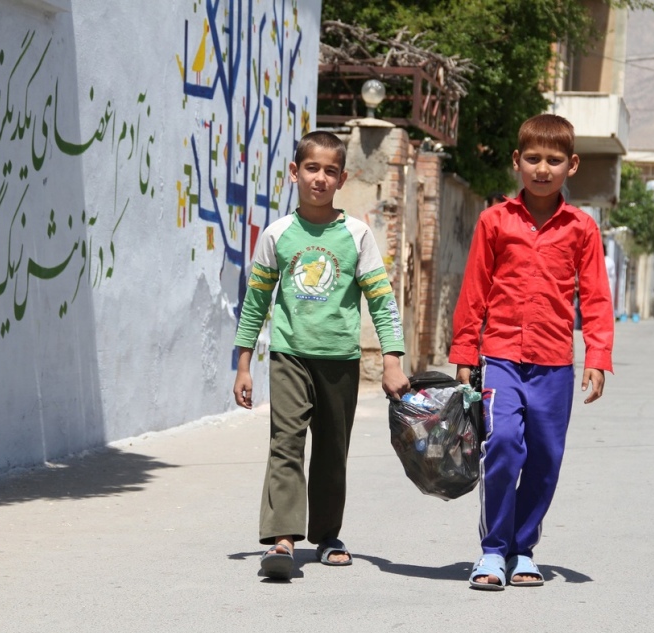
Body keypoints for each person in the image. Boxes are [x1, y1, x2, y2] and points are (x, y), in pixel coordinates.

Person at [232, 130, 410, 580]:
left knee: (333, 451)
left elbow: (381, 299)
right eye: (312, 168)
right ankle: (283, 538)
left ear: (342, 178)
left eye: (331, 171)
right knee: (285, 444)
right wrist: (243, 364)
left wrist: (392, 358)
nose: (320, 178)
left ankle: (328, 535)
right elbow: (255, 303)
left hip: (339, 360)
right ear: (295, 172)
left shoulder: (356, 235)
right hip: (289, 355)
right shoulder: (278, 235)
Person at [448, 114, 614, 590]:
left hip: (555, 365)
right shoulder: (494, 220)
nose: (543, 168)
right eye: (534, 159)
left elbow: (597, 298)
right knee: (501, 447)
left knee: (545, 457)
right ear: (518, 161)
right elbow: (474, 290)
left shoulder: (581, 228)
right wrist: (465, 350)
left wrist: (598, 357)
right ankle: (493, 550)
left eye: (555, 160)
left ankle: (524, 548)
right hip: (500, 357)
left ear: (572, 165)